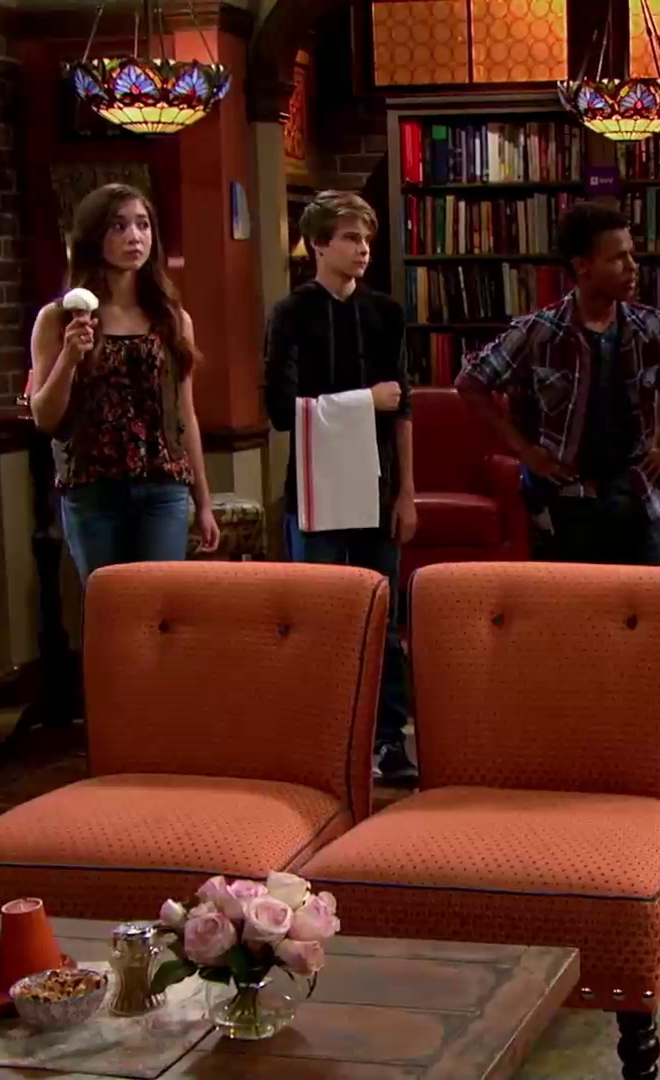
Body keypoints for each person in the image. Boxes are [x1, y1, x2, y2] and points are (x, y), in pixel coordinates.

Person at [263, 190, 419, 785]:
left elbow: (402, 407)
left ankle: (388, 739)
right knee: (320, 619)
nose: (363, 250)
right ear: (319, 245)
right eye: (351, 238)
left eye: (367, 239)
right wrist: (362, 402)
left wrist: (408, 493)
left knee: (385, 617)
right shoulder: (291, 313)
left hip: (379, 487)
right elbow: (281, 409)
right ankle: (322, 738)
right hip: (314, 487)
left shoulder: (385, 313)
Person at [455, 202, 660, 566]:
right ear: (582, 266)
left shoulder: (648, 325)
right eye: (617, 258)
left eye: (631, 255)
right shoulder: (539, 331)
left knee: (658, 592)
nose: (632, 267)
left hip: (635, 489)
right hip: (568, 496)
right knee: (579, 596)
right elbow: (470, 383)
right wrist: (524, 450)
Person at [28, 183, 218, 584]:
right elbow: (44, 417)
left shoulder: (171, 319)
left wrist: (203, 501)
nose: (135, 236)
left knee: (158, 604)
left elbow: (186, 414)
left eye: (143, 225)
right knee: (109, 606)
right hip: (92, 488)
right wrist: (69, 358)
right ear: (94, 236)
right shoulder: (58, 318)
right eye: (119, 226)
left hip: (163, 485)